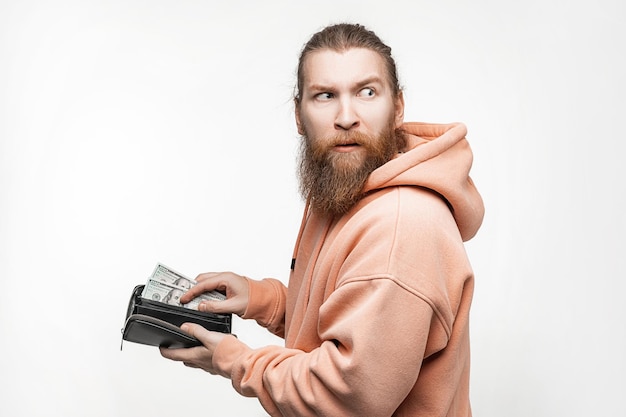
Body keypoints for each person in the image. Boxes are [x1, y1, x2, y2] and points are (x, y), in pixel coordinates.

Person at [160, 22, 484, 417]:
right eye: (325, 95)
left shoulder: (400, 227)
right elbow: (348, 324)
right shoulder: (348, 187)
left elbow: (348, 397)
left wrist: (235, 361)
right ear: (299, 114)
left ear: (398, 107)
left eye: (367, 92)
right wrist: (265, 300)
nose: (346, 117)